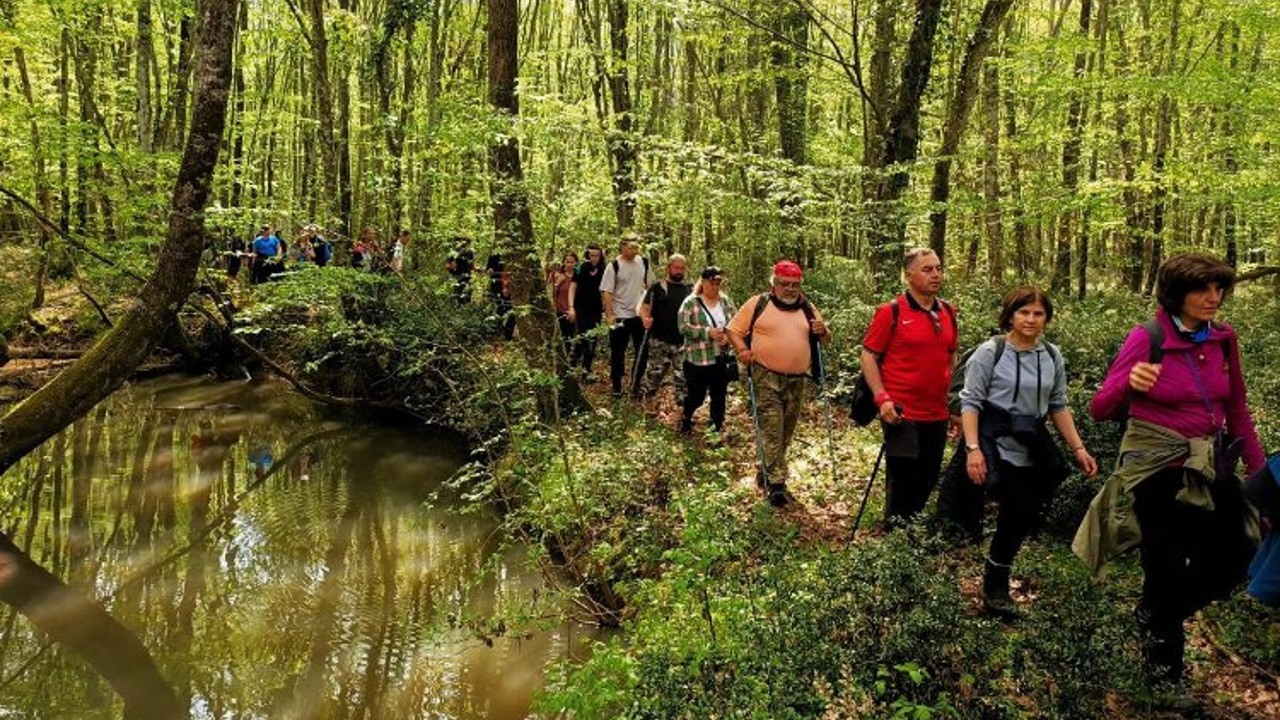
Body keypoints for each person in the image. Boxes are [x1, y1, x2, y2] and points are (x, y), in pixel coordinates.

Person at [1074, 253, 1265, 689]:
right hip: (1157, 467)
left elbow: (1237, 409)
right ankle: (1164, 679)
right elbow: (1100, 408)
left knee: (1239, 554)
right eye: (1203, 289)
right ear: (1176, 293)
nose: (1213, 298)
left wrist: (1260, 479)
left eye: (1219, 289)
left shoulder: (1223, 339)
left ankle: (1153, 614)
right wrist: (1129, 384)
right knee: (1164, 565)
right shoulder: (1149, 337)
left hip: (1210, 464)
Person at [951, 287, 1097, 618]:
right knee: (1007, 508)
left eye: (1038, 313)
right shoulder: (991, 352)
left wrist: (1078, 448)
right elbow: (970, 401)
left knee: (1024, 511)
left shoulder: (1052, 356)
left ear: (1047, 318)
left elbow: (1058, 404)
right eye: (1023, 312)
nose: (1031, 319)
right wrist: (973, 449)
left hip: (1032, 440)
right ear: (1010, 315)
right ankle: (992, 587)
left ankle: (995, 579)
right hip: (992, 438)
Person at [859, 247, 959, 523]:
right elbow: (869, 356)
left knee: (928, 477)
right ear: (909, 275)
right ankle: (896, 535)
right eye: (927, 269)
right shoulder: (890, 311)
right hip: (901, 412)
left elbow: (951, 357)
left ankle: (909, 531)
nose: (936, 274)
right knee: (903, 475)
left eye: (938, 268)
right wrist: (882, 398)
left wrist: (954, 404)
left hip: (937, 411)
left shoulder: (948, 311)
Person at [726, 260, 831, 507]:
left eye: (795, 285)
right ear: (774, 283)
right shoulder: (759, 303)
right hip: (765, 375)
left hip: (797, 380)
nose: (790, 289)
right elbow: (733, 330)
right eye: (784, 284)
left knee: (786, 430)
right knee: (772, 427)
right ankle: (776, 484)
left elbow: (825, 340)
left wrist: (823, 330)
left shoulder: (807, 307)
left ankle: (766, 469)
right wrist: (742, 349)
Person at [679, 266, 737, 436]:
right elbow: (682, 327)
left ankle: (715, 430)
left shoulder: (725, 301)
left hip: (720, 358)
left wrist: (728, 336)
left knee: (719, 397)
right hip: (697, 359)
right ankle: (686, 416)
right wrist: (707, 332)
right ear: (703, 282)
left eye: (718, 283)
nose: (715, 287)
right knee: (697, 396)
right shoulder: (691, 302)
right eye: (711, 283)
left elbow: (735, 323)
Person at [600, 234, 653, 397]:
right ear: (622, 246)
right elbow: (607, 292)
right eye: (631, 246)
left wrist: (648, 312)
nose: (634, 249)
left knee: (642, 352)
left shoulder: (643, 263)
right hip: (619, 316)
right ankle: (616, 387)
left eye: (637, 246)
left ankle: (636, 386)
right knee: (618, 353)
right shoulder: (614, 265)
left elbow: (650, 287)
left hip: (638, 316)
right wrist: (609, 316)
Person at [638, 254, 692, 405]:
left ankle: (683, 412)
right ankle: (647, 405)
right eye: (676, 267)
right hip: (660, 340)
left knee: (683, 378)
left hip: (683, 342)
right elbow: (645, 307)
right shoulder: (657, 287)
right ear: (668, 268)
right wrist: (645, 319)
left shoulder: (690, 289)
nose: (679, 271)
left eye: (682, 268)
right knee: (653, 376)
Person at [567, 245, 605, 378]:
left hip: (596, 309)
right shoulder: (580, 269)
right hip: (581, 308)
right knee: (583, 337)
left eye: (597, 255)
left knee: (593, 338)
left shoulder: (603, 270)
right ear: (587, 256)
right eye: (592, 255)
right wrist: (571, 307)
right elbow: (572, 288)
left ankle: (586, 368)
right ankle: (572, 363)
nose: (594, 258)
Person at [548, 252, 578, 356]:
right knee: (561, 336)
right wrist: (557, 284)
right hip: (560, 310)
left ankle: (569, 358)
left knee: (571, 337)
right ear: (564, 263)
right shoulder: (558, 275)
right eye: (567, 262)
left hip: (573, 312)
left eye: (572, 262)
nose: (570, 264)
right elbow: (550, 293)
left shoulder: (578, 276)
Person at [486, 252, 515, 340]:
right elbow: (488, 269)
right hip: (497, 287)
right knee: (501, 309)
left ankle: (508, 335)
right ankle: (502, 333)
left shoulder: (511, 253)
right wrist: (489, 271)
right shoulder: (493, 255)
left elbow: (509, 272)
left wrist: (506, 287)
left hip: (509, 287)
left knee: (510, 311)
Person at [446, 238, 475, 305]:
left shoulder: (470, 252)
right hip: (457, 277)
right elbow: (447, 265)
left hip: (466, 277)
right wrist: (453, 267)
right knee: (459, 296)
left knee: (466, 296)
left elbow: (472, 265)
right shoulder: (453, 253)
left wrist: (480, 269)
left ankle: (463, 309)